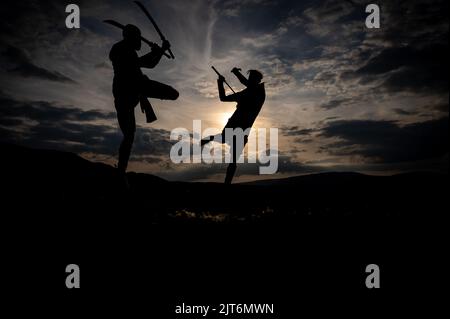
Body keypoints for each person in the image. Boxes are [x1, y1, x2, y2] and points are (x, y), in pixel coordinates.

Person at [109, 24, 179, 186]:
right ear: (130, 37)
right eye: (138, 38)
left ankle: (121, 172)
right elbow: (145, 63)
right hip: (129, 89)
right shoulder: (120, 49)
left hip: (136, 88)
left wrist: (158, 51)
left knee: (173, 94)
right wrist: (159, 51)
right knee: (129, 134)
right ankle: (121, 172)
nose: (140, 42)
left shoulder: (129, 51)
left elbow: (146, 63)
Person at [202, 67, 266, 184]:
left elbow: (246, 83)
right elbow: (223, 98)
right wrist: (220, 83)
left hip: (243, 129)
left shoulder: (260, 92)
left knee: (233, 159)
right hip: (234, 123)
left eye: (252, 79)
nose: (250, 81)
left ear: (257, 81)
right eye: (250, 78)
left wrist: (236, 73)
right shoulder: (245, 92)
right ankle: (209, 138)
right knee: (224, 140)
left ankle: (227, 184)